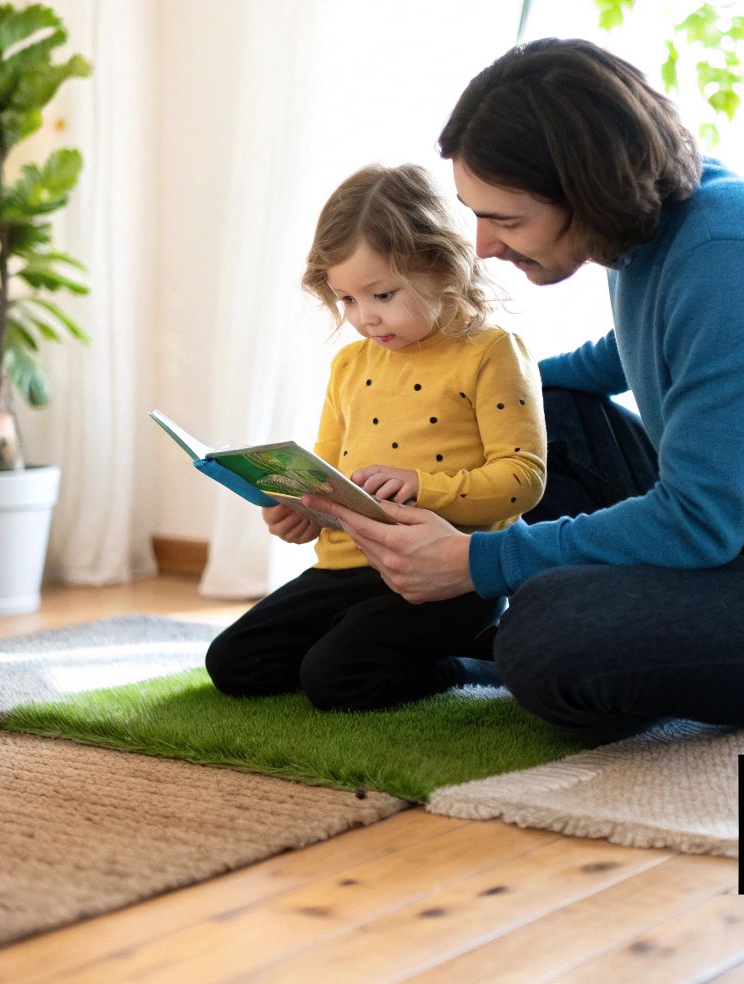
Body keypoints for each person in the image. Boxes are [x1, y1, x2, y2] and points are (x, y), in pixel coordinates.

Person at [314, 39, 744, 743]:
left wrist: (482, 561)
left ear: (587, 190)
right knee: (547, 413)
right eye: (475, 214)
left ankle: (553, 637)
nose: (482, 246)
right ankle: (472, 622)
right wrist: (465, 385)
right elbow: (627, 356)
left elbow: (697, 520)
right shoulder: (646, 227)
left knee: (547, 639)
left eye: (507, 220)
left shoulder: (735, 262)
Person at [205, 163, 546, 711]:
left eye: (383, 294)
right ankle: (364, 639)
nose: (365, 317)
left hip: (445, 576)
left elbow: (522, 480)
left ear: (442, 266)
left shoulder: (489, 351)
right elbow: (329, 469)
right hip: (349, 565)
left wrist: (420, 485)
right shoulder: (348, 364)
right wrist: (302, 509)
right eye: (347, 300)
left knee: (332, 680)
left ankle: (469, 661)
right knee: (233, 663)